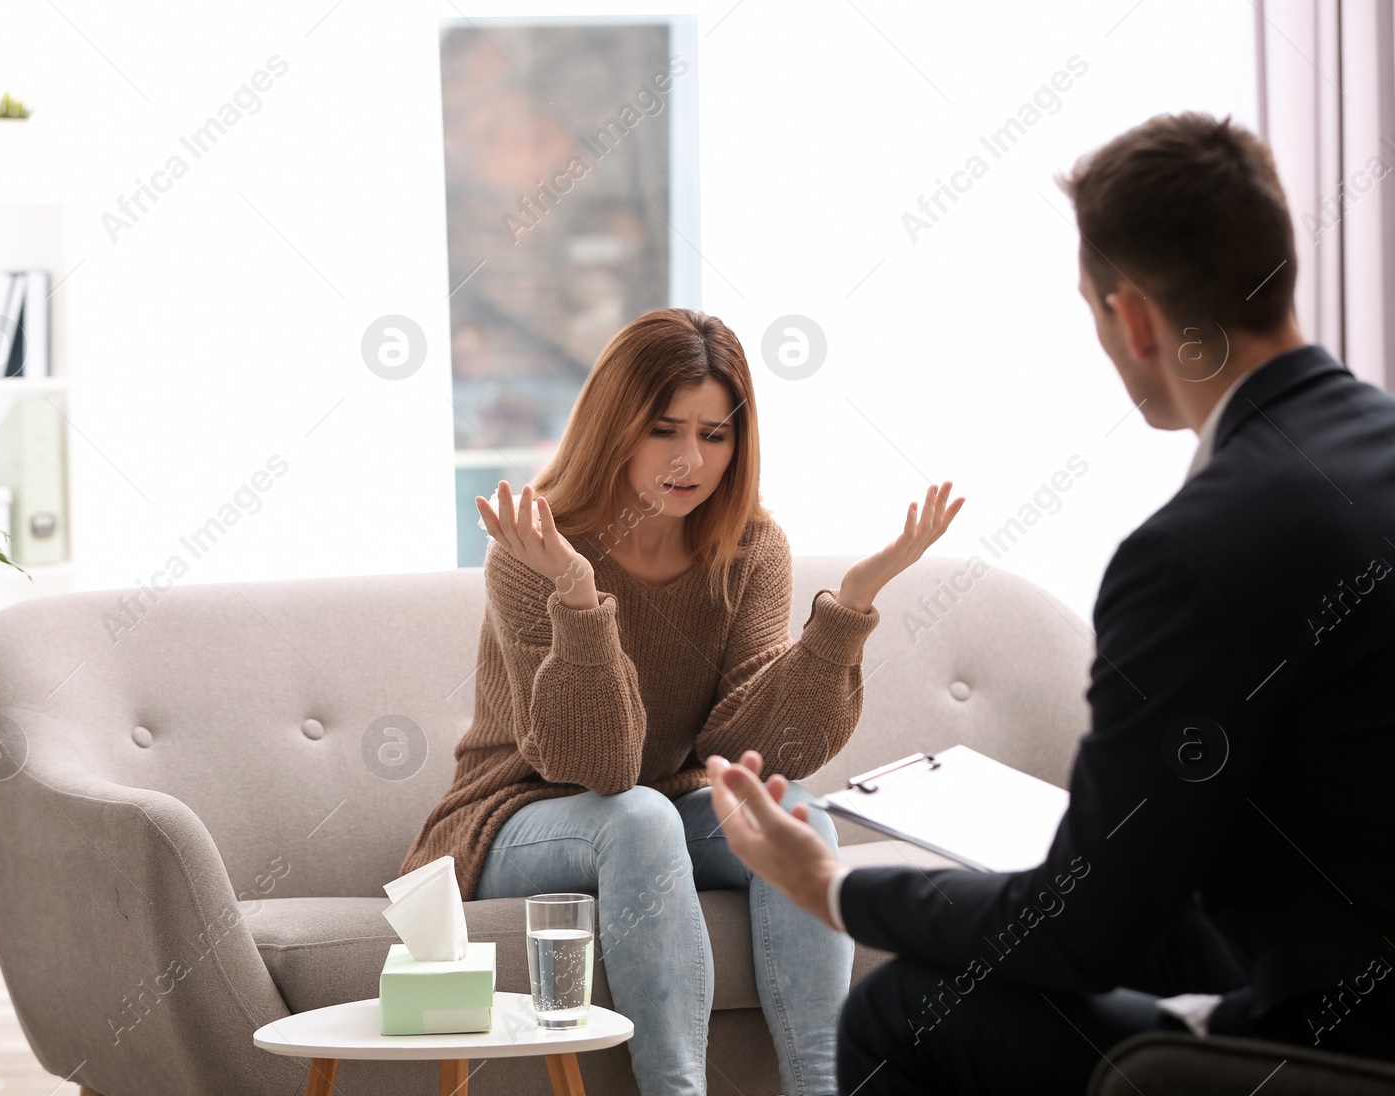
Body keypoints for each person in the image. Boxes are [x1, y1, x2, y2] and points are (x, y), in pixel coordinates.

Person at [704, 110, 1395, 1095]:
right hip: (1337, 964)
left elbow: (1084, 934)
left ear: (1137, 319)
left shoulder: (1197, 548)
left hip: (1340, 1052)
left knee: (903, 1010)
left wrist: (830, 885)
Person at [400, 306, 962, 1096]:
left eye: (716, 433)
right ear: (615, 427)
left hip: (665, 802)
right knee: (637, 816)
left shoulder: (751, 548)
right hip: (517, 813)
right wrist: (578, 595)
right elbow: (598, 766)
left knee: (795, 813)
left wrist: (848, 609)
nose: (691, 458)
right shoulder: (537, 550)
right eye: (664, 429)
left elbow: (766, 752)